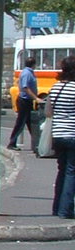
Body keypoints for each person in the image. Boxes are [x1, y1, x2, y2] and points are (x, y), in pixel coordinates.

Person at [45, 55, 75, 219]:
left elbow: (48, 112)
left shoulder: (56, 87)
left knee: (62, 170)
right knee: (72, 172)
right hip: (73, 133)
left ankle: (57, 207)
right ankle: (66, 210)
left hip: (58, 134)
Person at [7, 56, 41, 152]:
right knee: (21, 123)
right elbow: (25, 87)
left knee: (31, 123)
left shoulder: (28, 73)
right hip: (24, 101)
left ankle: (37, 143)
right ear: (34, 64)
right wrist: (36, 98)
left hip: (27, 101)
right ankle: (12, 143)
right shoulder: (27, 73)